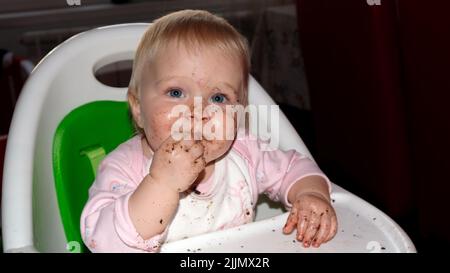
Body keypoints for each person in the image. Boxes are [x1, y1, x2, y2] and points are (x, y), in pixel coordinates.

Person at [80, 9, 337, 253]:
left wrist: (310, 194)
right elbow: (105, 242)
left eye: (218, 98)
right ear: (138, 108)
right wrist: (162, 183)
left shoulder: (244, 152)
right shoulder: (124, 169)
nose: (199, 110)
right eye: (176, 93)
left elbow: (295, 168)